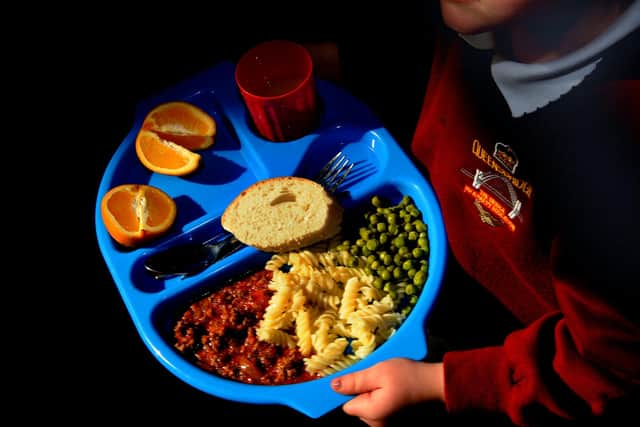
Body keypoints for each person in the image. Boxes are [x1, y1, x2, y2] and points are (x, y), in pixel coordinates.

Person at [325, 1, 640, 426]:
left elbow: (612, 366)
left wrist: (437, 384)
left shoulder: (618, 152)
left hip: (521, 364)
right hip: (446, 284)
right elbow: (395, 56)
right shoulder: (484, 16)